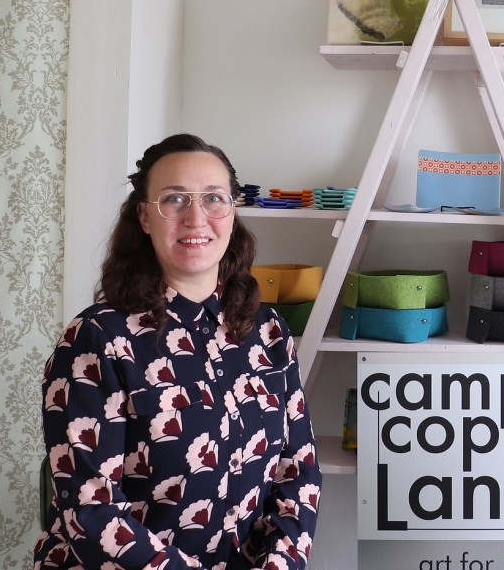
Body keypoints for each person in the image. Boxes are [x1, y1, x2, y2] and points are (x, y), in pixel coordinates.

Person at [33, 134, 322, 570]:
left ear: (232, 212)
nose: (196, 217)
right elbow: (90, 511)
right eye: (174, 200)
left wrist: (277, 563)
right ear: (145, 218)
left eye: (213, 199)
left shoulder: (269, 332)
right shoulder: (97, 337)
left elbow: (296, 474)